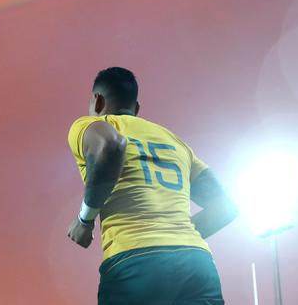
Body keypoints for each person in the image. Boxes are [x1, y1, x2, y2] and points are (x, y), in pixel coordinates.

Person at [66, 67, 238, 305]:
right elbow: (226, 207)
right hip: (197, 264)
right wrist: (175, 238)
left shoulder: (93, 125)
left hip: (135, 264)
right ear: (136, 109)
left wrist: (85, 220)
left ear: (97, 101)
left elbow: (110, 144)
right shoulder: (173, 140)